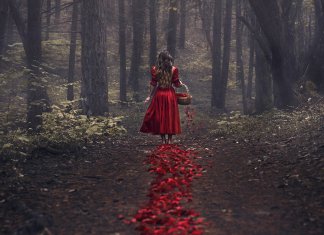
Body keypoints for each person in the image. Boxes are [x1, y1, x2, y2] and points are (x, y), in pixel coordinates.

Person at [140, 50, 183, 144]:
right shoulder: (174, 69)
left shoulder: (155, 69)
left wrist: (149, 96)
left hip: (160, 94)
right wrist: (180, 84)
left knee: (161, 116)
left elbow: (153, 84)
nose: (169, 62)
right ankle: (170, 140)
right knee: (170, 116)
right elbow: (176, 84)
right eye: (168, 60)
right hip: (170, 95)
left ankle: (163, 140)